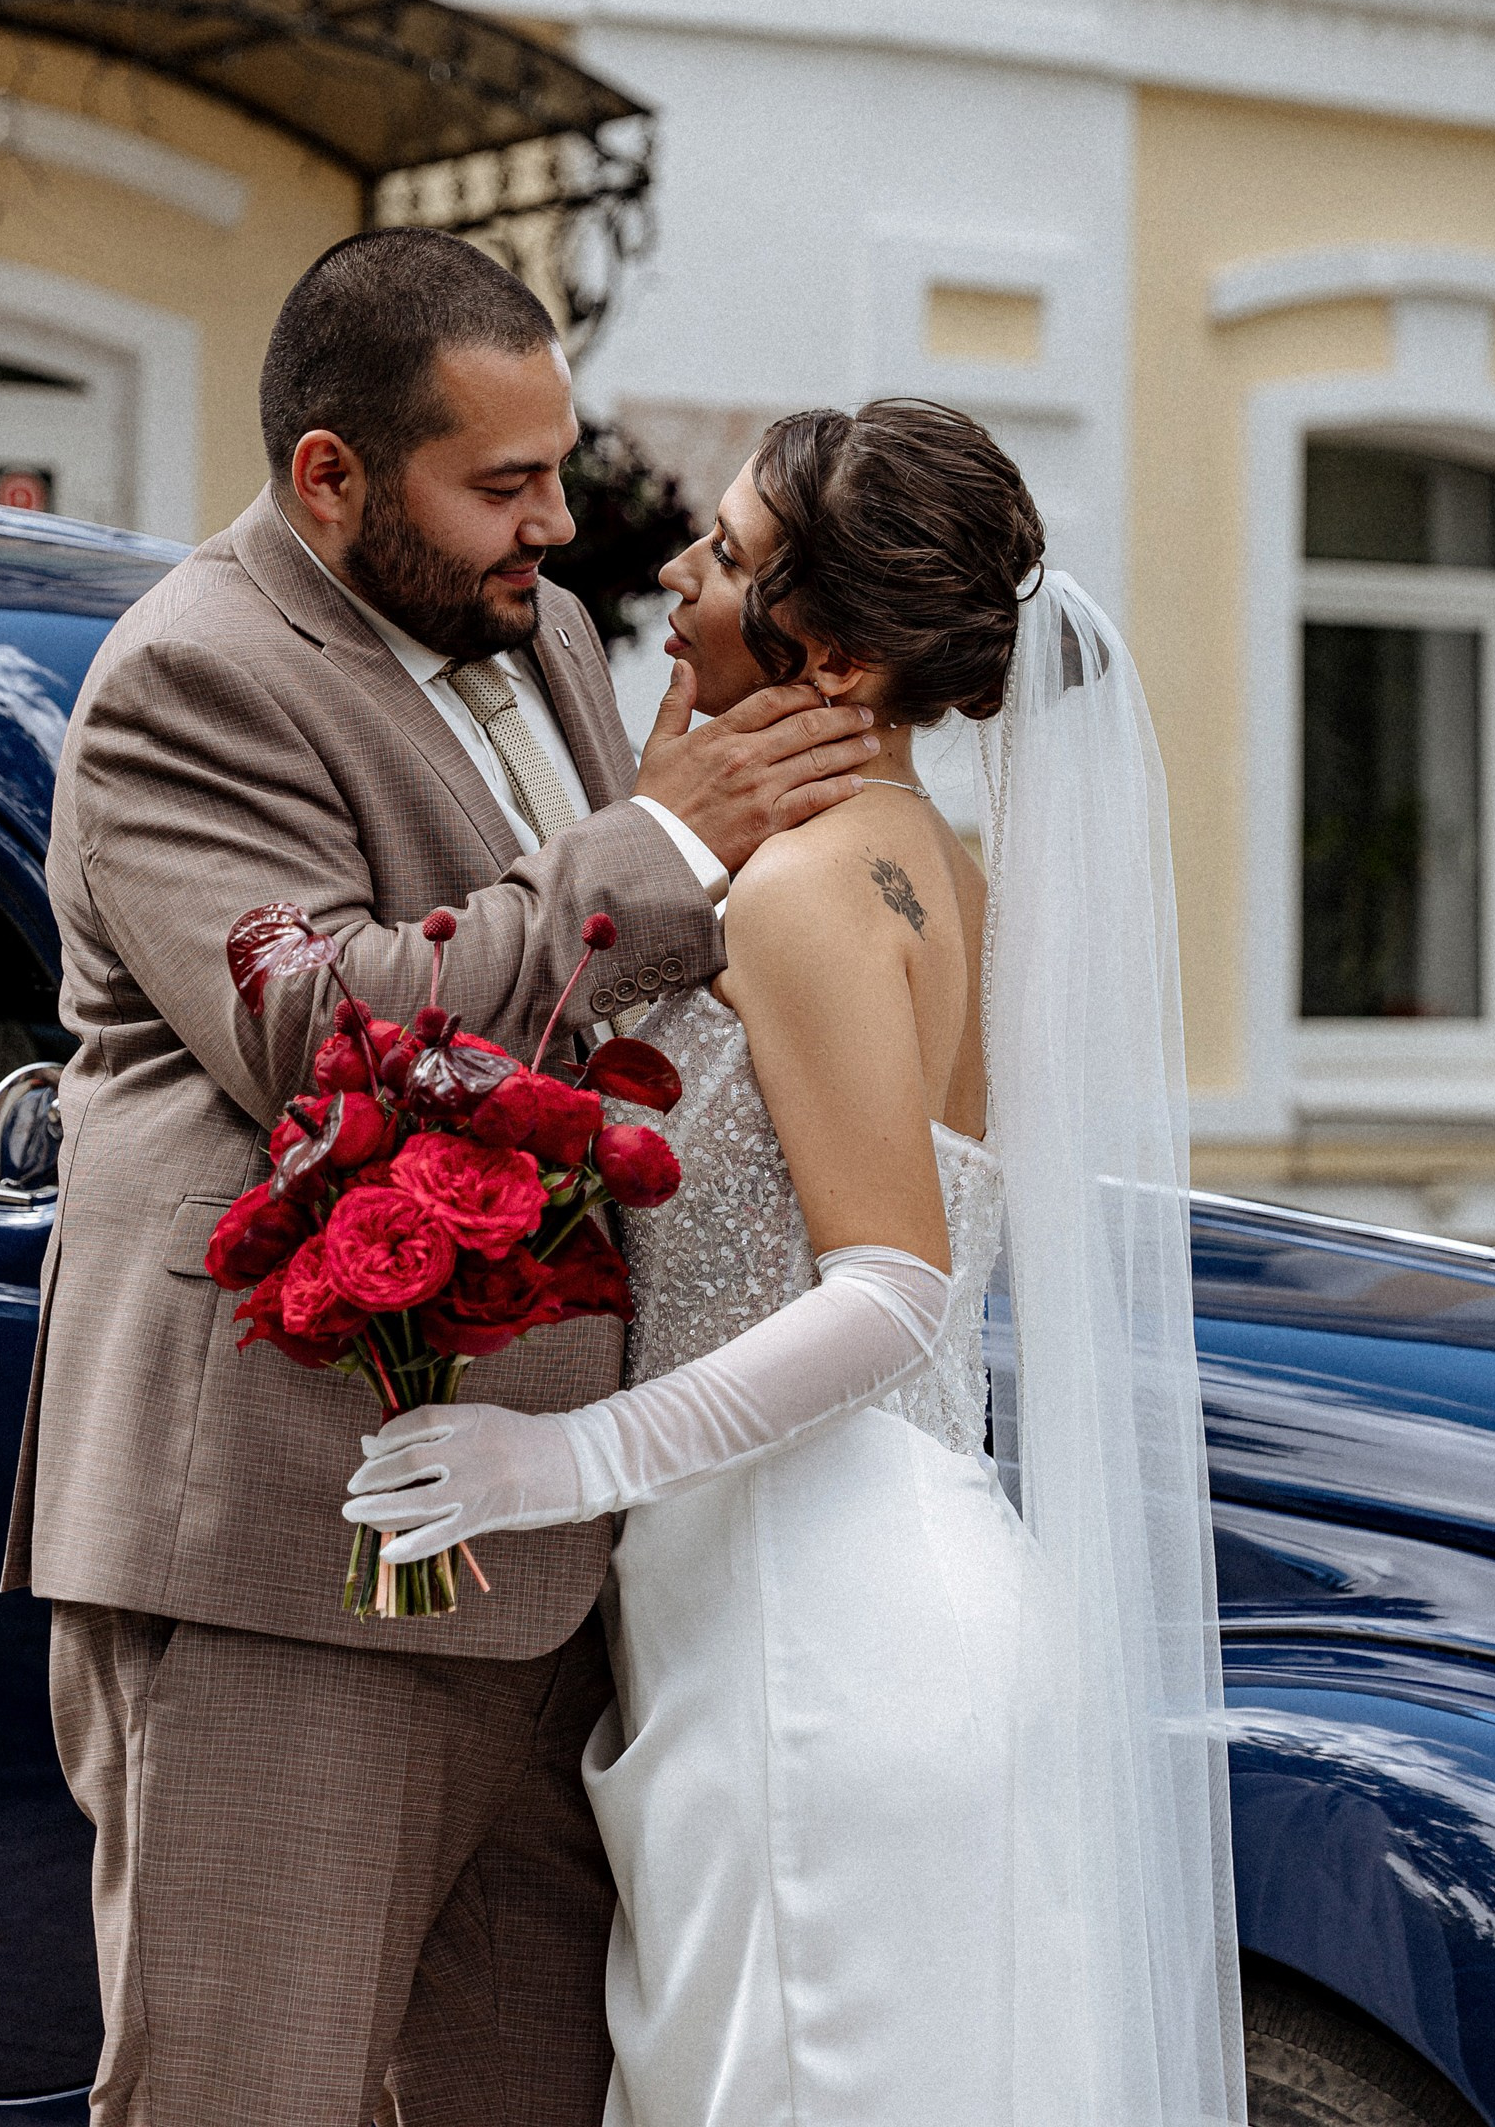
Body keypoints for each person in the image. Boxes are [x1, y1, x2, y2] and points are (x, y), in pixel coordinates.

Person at [1, 230, 883, 2127]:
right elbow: (322, 1031)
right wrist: (661, 842)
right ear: (331, 475)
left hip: (561, 1557)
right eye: (503, 484)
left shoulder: (535, 629)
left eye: (556, 469)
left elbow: (601, 1014)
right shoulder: (190, 679)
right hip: (292, 1544)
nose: (555, 526)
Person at [349, 399, 1248, 2126]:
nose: (681, 575)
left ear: (834, 658)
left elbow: (895, 1288)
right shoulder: (939, 874)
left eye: (731, 554)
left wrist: (559, 1460)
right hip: (884, 1592)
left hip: (817, 1637)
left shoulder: (811, 893)